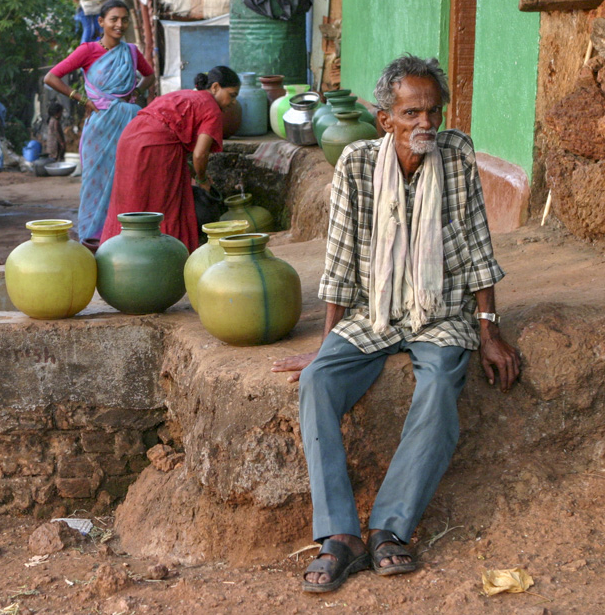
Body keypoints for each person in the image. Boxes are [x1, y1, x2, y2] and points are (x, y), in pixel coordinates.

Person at [270, 55, 522, 593]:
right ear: (385, 119)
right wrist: (326, 344)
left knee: (437, 384)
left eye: (433, 111)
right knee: (318, 381)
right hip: (373, 312)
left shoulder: (455, 154)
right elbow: (339, 261)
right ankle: (340, 537)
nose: (426, 124)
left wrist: (489, 329)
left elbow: (478, 244)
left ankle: (390, 528)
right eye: (412, 114)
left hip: (440, 311)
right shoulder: (357, 165)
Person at [43, 0, 155, 245]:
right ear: (101, 22)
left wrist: (135, 92)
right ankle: (93, 237)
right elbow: (51, 77)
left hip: (130, 124)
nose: (120, 24)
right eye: (113, 19)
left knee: (129, 179)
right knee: (95, 181)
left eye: (124, 19)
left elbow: (150, 76)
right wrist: (81, 98)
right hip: (100, 126)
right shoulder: (87, 50)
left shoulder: (132, 52)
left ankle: (123, 236)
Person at [99, 66, 240, 252]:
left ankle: (116, 255)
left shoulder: (185, 95)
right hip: (155, 147)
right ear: (214, 87)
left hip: (130, 139)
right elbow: (200, 154)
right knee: (164, 205)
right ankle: (163, 256)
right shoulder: (212, 109)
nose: (233, 102)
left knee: (129, 201)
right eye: (231, 95)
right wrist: (202, 179)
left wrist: (188, 168)